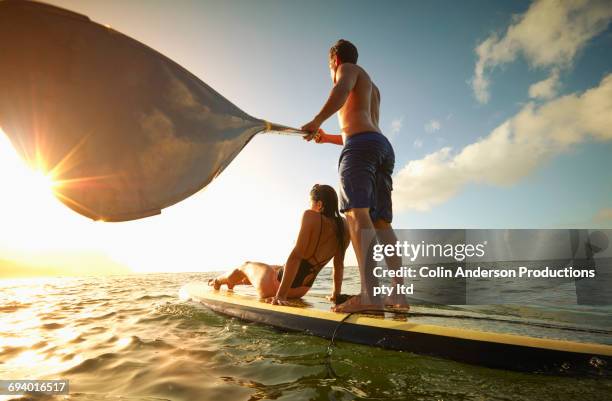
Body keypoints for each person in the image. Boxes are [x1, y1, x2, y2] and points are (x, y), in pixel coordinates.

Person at [301, 39, 407, 312]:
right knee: (381, 221)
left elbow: (340, 90)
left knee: (356, 215)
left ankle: (369, 295)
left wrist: (316, 121)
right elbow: (359, 127)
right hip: (380, 147)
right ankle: (398, 292)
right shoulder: (373, 87)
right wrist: (327, 138)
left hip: (361, 148)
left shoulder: (346, 69)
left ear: (334, 60)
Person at [208, 184, 350, 305]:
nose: (309, 207)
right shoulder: (344, 226)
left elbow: (295, 257)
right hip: (301, 291)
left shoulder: (311, 216)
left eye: (310, 203)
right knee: (274, 267)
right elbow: (339, 265)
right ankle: (235, 283)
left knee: (245, 265)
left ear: (319, 205)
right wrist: (335, 295)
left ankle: (218, 281)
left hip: (275, 287)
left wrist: (280, 296)